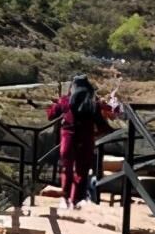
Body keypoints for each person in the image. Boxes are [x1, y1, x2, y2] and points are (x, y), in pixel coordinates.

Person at [47, 75, 113, 210]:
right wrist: (95, 134)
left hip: (68, 140)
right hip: (86, 141)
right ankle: (75, 200)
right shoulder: (93, 105)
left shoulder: (65, 101)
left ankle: (64, 199)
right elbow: (103, 127)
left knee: (67, 170)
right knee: (81, 172)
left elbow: (51, 115)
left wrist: (55, 104)